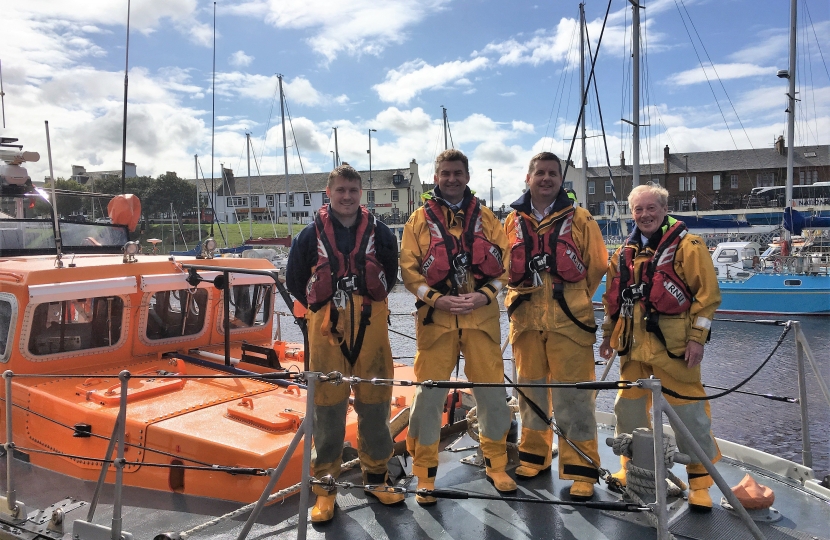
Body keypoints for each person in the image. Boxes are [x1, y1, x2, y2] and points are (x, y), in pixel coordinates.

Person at [286, 165, 403, 523]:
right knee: (327, 409)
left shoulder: (381, 232)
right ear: (329, 192)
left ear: (361, 193)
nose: (347, 196)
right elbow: (294, 280)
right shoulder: (309, 236)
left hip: (371, 324)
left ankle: (377, 478)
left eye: (353, 190)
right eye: (341, 190)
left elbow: (391, 273)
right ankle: (325, 491)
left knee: (376, 403)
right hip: (325, 329)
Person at [400, 149, 515, 505]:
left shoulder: (488, 219)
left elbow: (506, 265)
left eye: (457, 173)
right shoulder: (418, 220)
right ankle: (425, 473)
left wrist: (484, 295)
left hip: (480, 319)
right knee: (429, 396)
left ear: (467, 176)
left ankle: (496, 462)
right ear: (436, 177)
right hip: (437, 322)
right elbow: (409, 271)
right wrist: (437, 299)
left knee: (492, 393)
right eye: (445, 173)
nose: (451, 179)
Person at [599, 183, 721, 511]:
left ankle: (700, 482)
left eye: (651, 208)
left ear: (664, 210)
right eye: (638, 209)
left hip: (674, 349)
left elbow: (707, 298)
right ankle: (631, 470)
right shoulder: (622, 254)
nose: (644, 215)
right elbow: (612, 297)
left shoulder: (689, 246)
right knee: (629, 410)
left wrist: (697, 340)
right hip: (633, 347)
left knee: (689, 415)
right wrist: (608, 335)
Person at [503, 152, 608, 500]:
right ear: (528, 177)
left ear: (560, 179)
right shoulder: (511, 221)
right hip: (526, 324)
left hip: (570, 324)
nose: (546, 178)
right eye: (540, 173)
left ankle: (581, 469)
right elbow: (504, 268)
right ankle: (534, 456)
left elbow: (597, 265)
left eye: (553, 173)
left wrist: (573, 297)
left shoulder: (581, 218)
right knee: (529, 394)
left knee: (574, 399)